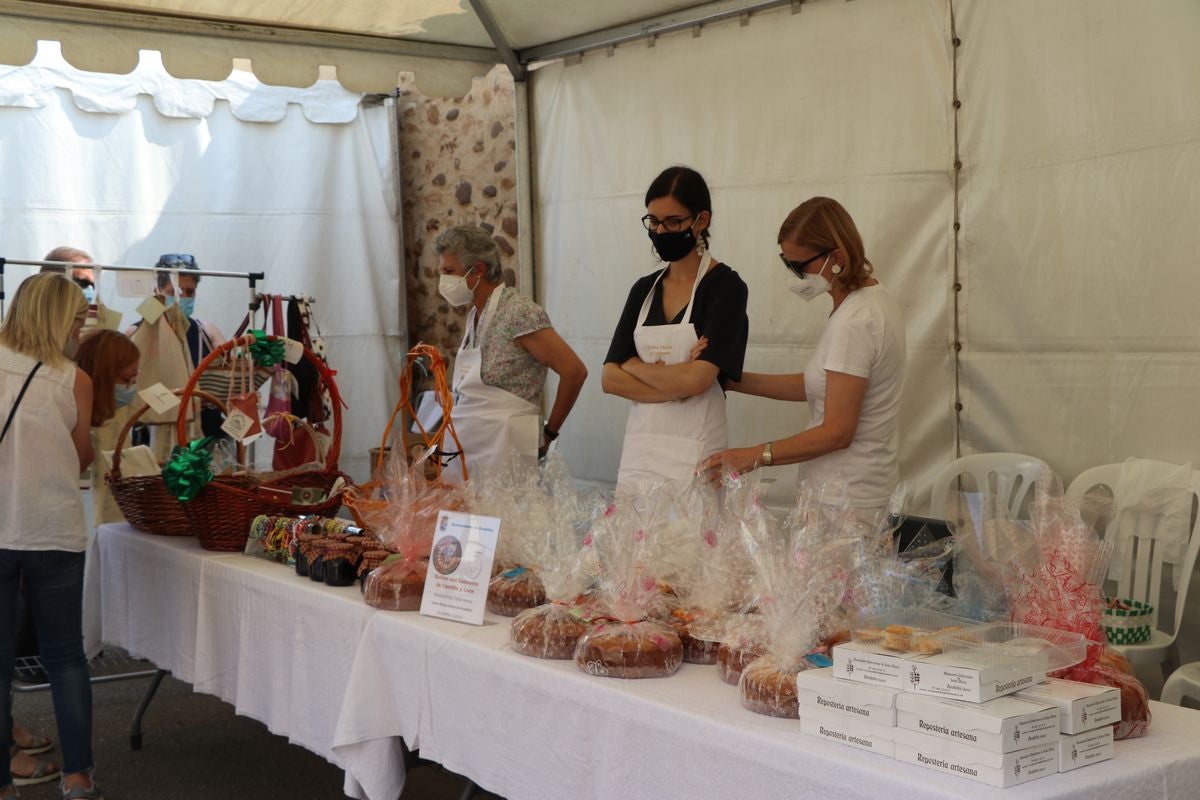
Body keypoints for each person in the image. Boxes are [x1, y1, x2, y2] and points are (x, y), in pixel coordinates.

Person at [700, 197, 907, 516]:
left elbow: (837, 431)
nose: (795, 275)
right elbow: (819, 385)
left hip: (846, 499)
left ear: (836, 257)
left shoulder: (855, 322)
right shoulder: (868, 302)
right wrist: (731, 379)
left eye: (799, 266)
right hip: (848, 492)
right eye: (788, 264)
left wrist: (754, 455)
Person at [0, 273, 105, 799]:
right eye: (77, 318)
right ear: (57, 320)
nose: (80, 328)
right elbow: (82, 456)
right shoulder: (74, 379)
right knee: (66, 658)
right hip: (55, 530)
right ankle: (78, 777)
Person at [602, 166, 749, 497]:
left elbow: (698, 380)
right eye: (653, 221)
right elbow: (609, 379)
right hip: (641, 453)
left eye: (673, 222)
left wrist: (635, 365)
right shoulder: (643, 290)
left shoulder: (726, 288)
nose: (660, 230)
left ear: (702, 220)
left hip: (696, 454)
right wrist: (679, 380)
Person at [435, 225, 587, 481]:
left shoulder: (518, 312)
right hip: (469, 449)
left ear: (479, 270)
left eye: (449, 271)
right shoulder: (475, 315)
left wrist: (550, 433)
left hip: (509, 452)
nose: (443, 280)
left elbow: (574, 371)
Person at [75, 331, 141, 525]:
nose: (131, 386)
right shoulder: (75, 414)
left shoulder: (116, 413)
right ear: (103, 374)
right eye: (127, 379)